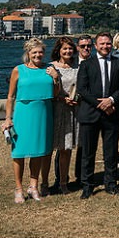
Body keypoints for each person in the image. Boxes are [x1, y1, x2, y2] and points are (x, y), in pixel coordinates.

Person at [3, 38, 59, 203]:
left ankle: (33, 186)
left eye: (40, 52)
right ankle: (19, 188)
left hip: (44, 113)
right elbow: (10, 96)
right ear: (28, 53)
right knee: (19, 153)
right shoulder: (18, 70)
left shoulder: (50, 69)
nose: (38, 55)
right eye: (34, 52)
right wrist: (8, 118)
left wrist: (56, 78)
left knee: (39, 152)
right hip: (23, 114)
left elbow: (56, 94)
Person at [76, 32, 119, 199]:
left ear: (111, 45)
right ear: (96, 46)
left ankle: (111, 184)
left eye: (108, 43)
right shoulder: (86, 64)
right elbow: (82, 90)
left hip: (112, 113)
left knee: (111, 152)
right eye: (102, 44)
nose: (105, 46)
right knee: (88, 152)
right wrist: (101, 104)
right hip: (91, 114)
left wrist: (111, 100)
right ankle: (87, 185)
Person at [49, 37, 80, 194]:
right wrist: (62, 98)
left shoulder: (77, 67)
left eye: (70, 49)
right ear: (58, 51)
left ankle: (63, 182)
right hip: (57, 110)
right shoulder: (51, 68)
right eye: (64, 49)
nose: (68, 51)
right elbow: (48, 92)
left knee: (67, 149)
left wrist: (77, 98)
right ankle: (44, 183)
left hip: (73, 111)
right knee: (51, 148)